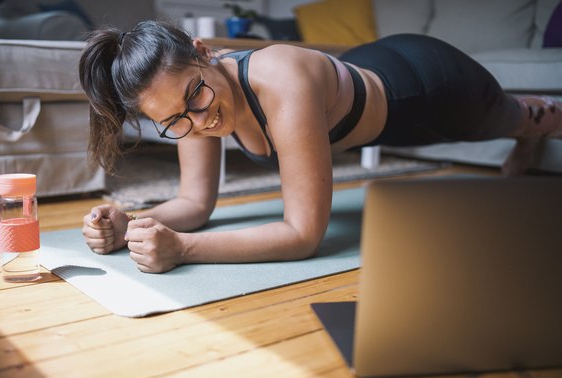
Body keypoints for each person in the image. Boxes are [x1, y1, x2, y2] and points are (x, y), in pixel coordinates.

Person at [78, 20, 562, 273]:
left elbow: (303, 233)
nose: (201, 122)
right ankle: (525, 141)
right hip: (367, 73)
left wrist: (184, 249)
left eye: (195, 98)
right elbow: (194, 202)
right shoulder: (190, 107)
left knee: (518, 118)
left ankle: (530, 129)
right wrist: (133, 225)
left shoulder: (281, 78)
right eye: (177, 121)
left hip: (426, 86)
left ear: (204, 54)